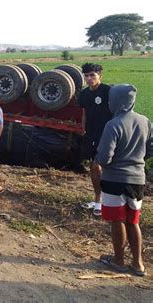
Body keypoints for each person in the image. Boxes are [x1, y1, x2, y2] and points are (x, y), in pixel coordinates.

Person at [95, 84, 151, 277]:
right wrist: (138, 161)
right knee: (133, 221)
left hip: (114, 179)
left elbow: (103, 158)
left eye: (111, 99)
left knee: (117, 220)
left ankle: (118, 261)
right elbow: (151, 149)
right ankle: (138, 264)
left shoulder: (113, 124)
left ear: (116, 101)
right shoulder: (145, 121)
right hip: (137, 179)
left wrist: (107, 164)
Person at [79, 63, 113, 216]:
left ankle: (105, 200)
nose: (89, 78)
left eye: (92, 75)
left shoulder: (108, 91)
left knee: (101, 166)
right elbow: (85, 113)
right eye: (86, 75)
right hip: (91, 135)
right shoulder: (84, 94)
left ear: (100, 75)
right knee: (94, 167)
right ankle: (98, 198)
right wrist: (83, 129)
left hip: (107, 134)